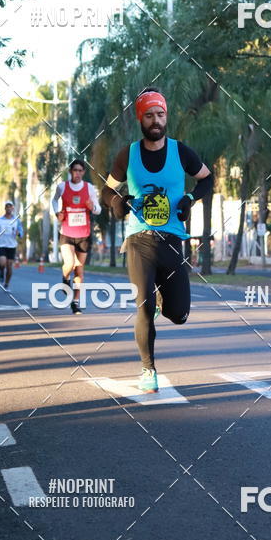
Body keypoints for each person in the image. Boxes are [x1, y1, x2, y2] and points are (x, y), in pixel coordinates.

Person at [101, 88, 212, 393]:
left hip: (172, 241)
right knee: (144, 306)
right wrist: (117, 202)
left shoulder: (181, 152)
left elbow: (207, 178)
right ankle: (148, 369)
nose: (155, 120)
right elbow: (107, 190)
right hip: (139, 240)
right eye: (149, 115)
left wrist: (190, 198)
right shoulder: (128, 155)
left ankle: (165, 301)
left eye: (160, 114)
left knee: (179, 314)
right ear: (141, 119)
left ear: (166, 117)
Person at [51, 159, 102, 314]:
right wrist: (57, 213)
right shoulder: (62, 187)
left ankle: (75, 302)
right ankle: (65, 279)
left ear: (83, 172)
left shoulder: (89, 188)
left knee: (79, 271)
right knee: (70, 263)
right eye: (75, 170)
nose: (77, 173)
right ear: (70, 171)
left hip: (83, 235)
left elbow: (98, 209)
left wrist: (92, 207)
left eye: (80, 170)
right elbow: (54, 200)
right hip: (67, 233)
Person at [0, 201, 24, 289]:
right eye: (7, 206)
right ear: (5, 208)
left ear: (12, 208)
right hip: (2, 245)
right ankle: (1, 272)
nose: (8, 208)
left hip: (12, 246)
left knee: (9, 266)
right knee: (2, 263)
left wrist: (19, 233)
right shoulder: (0, 220)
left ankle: (7, 284)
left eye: (10, 206)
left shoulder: (16, 220)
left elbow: (21, 231)